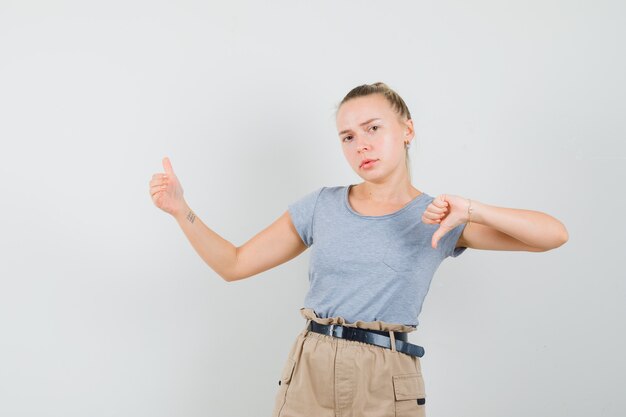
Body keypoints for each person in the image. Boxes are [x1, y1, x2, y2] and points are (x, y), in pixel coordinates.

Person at [148, 82, 569, 417]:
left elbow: (553, 236)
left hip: (386, 376)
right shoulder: (321, 206)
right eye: (347, 136)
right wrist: (181, 210)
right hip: (310, 368)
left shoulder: (441, 216)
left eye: (373, 128)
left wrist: (473, 209)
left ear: (407, 129)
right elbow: (234, 264)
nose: (360, 145)